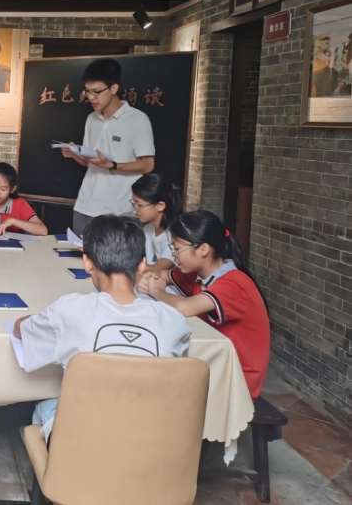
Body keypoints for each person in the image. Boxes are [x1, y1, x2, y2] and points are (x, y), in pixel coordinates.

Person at [14, 214, 191, 440]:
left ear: (87, 262)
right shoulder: (174, 320)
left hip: (86, 439)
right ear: (141, 265)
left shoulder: (68, 309)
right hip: (152, 439)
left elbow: (21, 329)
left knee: (45, 403)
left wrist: (39, 317)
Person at [137, 211, 270, 400]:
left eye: (177, 249)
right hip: (213, 363)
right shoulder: (197, 273)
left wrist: (156, 292)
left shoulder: (234, 283)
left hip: (237, 379)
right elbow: (161, 275)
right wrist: (149, 279)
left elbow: (185, 307)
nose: (174, 255)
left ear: (203, 249)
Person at [62, 58, 155, 236]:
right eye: (87, 91)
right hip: (85, 205)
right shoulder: (92, 119)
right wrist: (75, 154)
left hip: (119, 210)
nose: (91, 97)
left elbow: (148, 165)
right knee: (79, 252)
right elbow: (90, 162)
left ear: (113, 88)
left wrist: (113, 165)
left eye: (97, 92)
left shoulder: (137, 119)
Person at [131, 174, 183, 273]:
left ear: (160, 205)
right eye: (134, 204)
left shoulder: (175, 236)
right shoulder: (148, 229)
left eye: (139, 205)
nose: (135, 209)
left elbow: (157, 269)